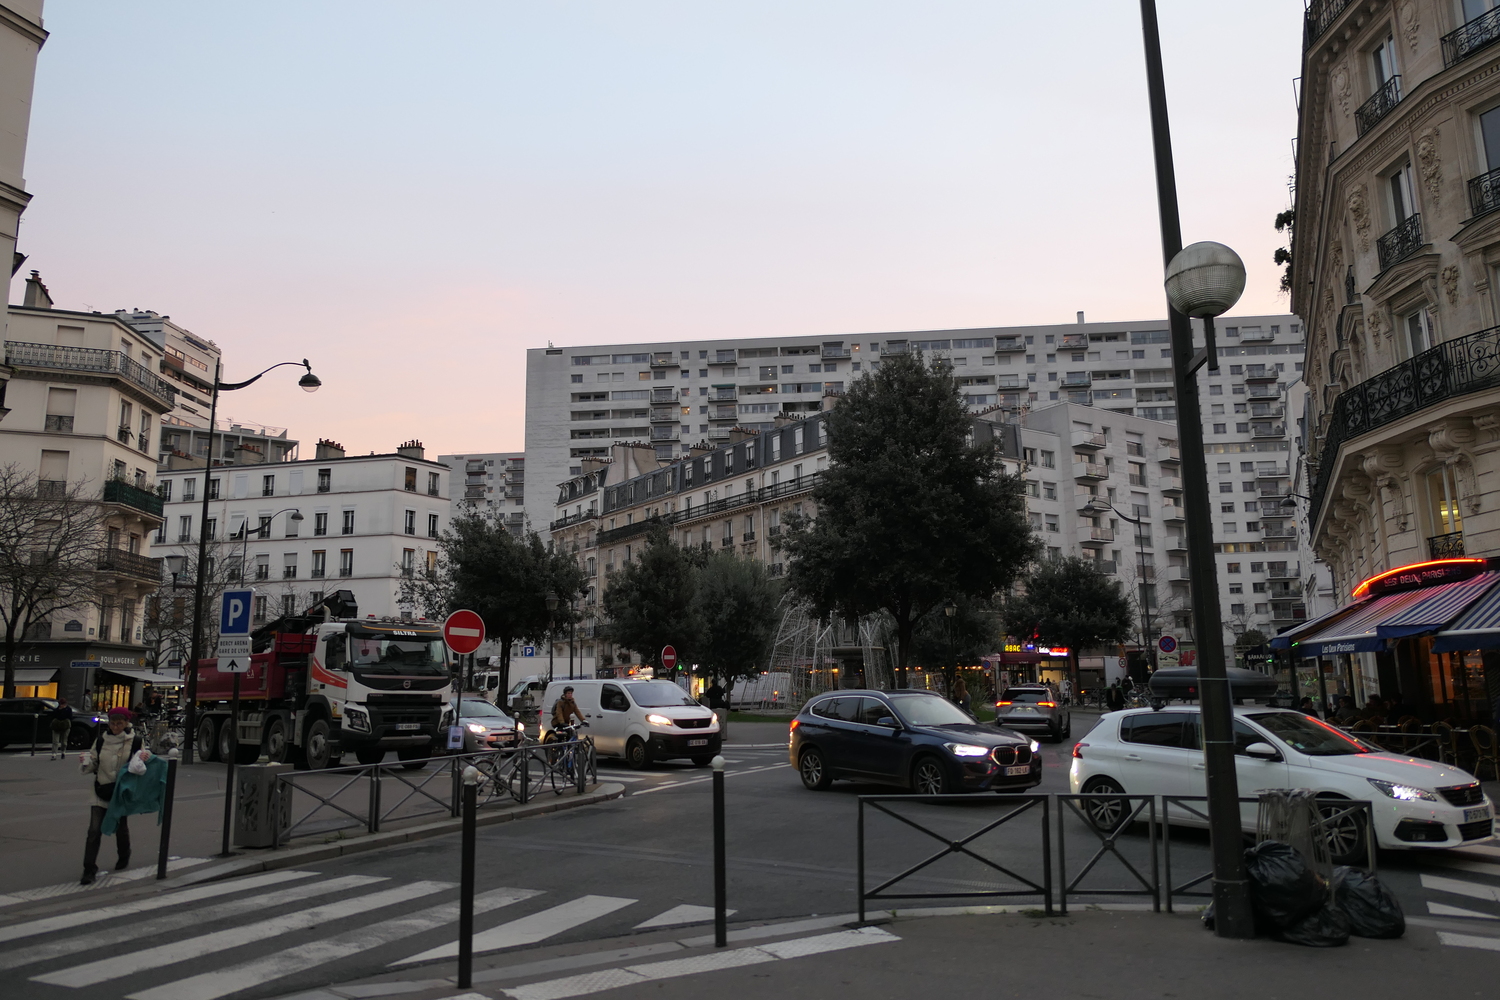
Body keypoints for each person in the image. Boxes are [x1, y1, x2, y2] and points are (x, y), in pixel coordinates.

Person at [78, 707, 149, 884]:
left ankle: (124, 854)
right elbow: (94, 762)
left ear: (126, 723)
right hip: (101, 788)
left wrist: (145, 758)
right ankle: (89, 869)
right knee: (94, 831)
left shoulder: (135, 741)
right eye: (112, 723)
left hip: (120, 791)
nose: (115, 727)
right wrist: (86, 763)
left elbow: (140, 764)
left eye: (119, 723)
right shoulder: (101, 740)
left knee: (120, 827)